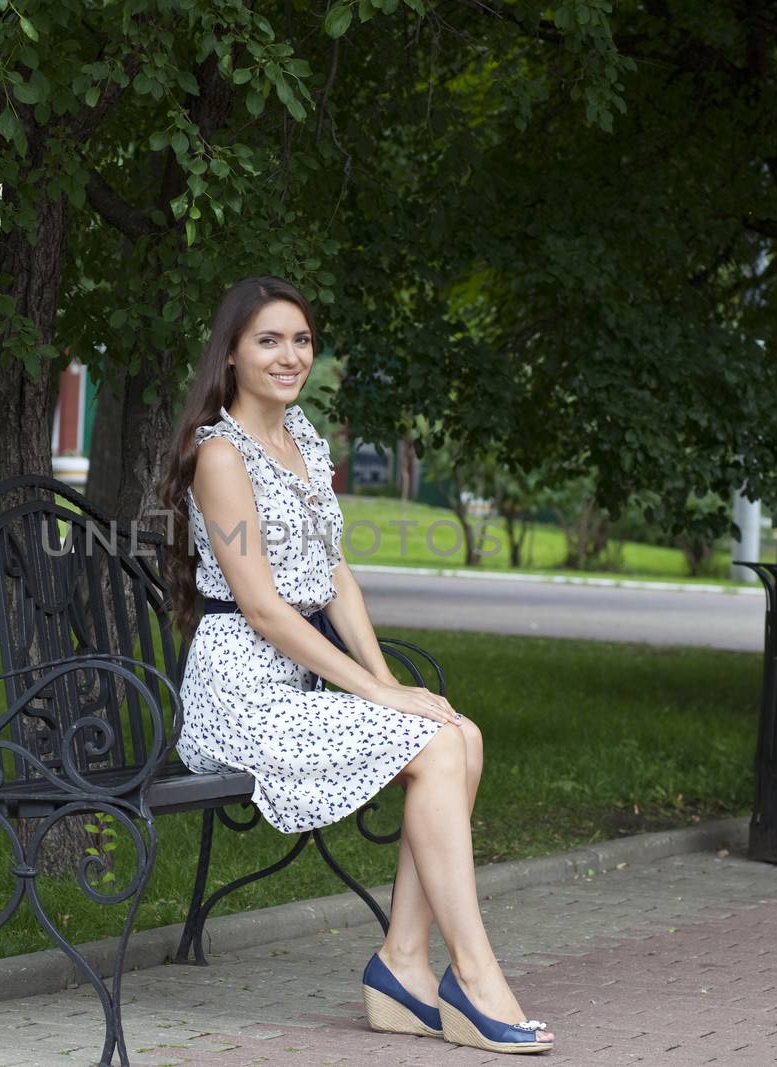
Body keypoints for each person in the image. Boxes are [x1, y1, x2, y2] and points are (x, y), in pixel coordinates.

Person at [156, 276, 554, 1055]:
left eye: (300, 339)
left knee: (457, 734)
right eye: (268, 339)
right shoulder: (219, 454)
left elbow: (334, 574)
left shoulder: (301, 437)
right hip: (238, 696)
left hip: (296, 684)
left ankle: (403, 963)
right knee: (438, 742)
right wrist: (374, 688)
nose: (289, 355)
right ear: (232, 354)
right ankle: (475, 982)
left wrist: (392, 684)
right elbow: (266, 609)